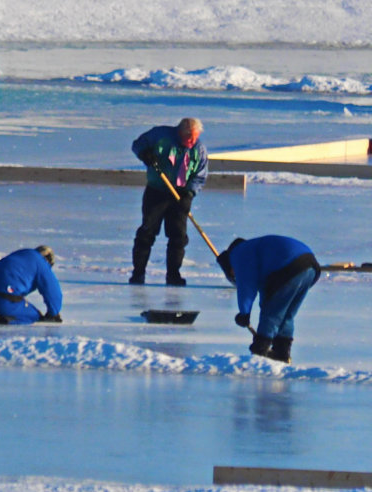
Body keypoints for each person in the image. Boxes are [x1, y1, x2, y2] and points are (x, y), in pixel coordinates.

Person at [129, 117, 208, 286]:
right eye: (189, 138)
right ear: (180, 133)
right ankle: (138, 273)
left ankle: (173, 275)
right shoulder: (161, 135)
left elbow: (200, 176)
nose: (192, 141)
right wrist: (145, 154)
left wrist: (189, 193)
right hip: (157, 191)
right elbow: (137, 145)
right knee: (147, 232)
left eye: (195, 137)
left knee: (178, 237)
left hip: (181, 195)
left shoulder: (199, 149)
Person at [217, 236, 320, 364]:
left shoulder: (239, 254)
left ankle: (260, 351)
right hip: (310, 266)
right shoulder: (255, 250)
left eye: (232, 274)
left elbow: (246, 286)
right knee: (286, 313)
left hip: (290, 266)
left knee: (272, 312)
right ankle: (282, 351)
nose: (234, 276)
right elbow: (267, 295)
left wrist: (244, 313)